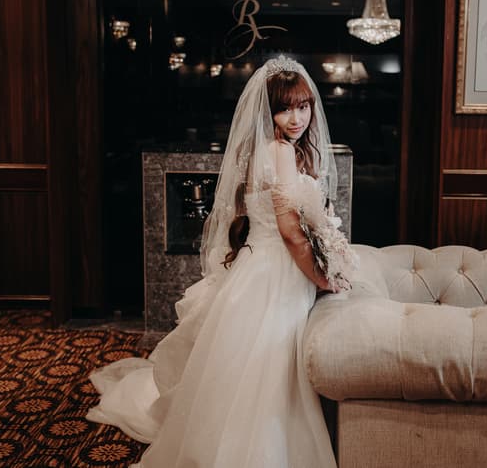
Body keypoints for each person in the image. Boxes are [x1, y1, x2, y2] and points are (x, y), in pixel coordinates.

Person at [86, 55, 341, 468]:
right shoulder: (278, 153)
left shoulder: (275, 149)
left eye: (304, 106)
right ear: (268, 111)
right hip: (274, 274)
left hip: (261, 269)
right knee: (266, 368)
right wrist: (323, 277)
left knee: (252, 370)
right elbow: (292, 234)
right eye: (285, 108)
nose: (297, 117)